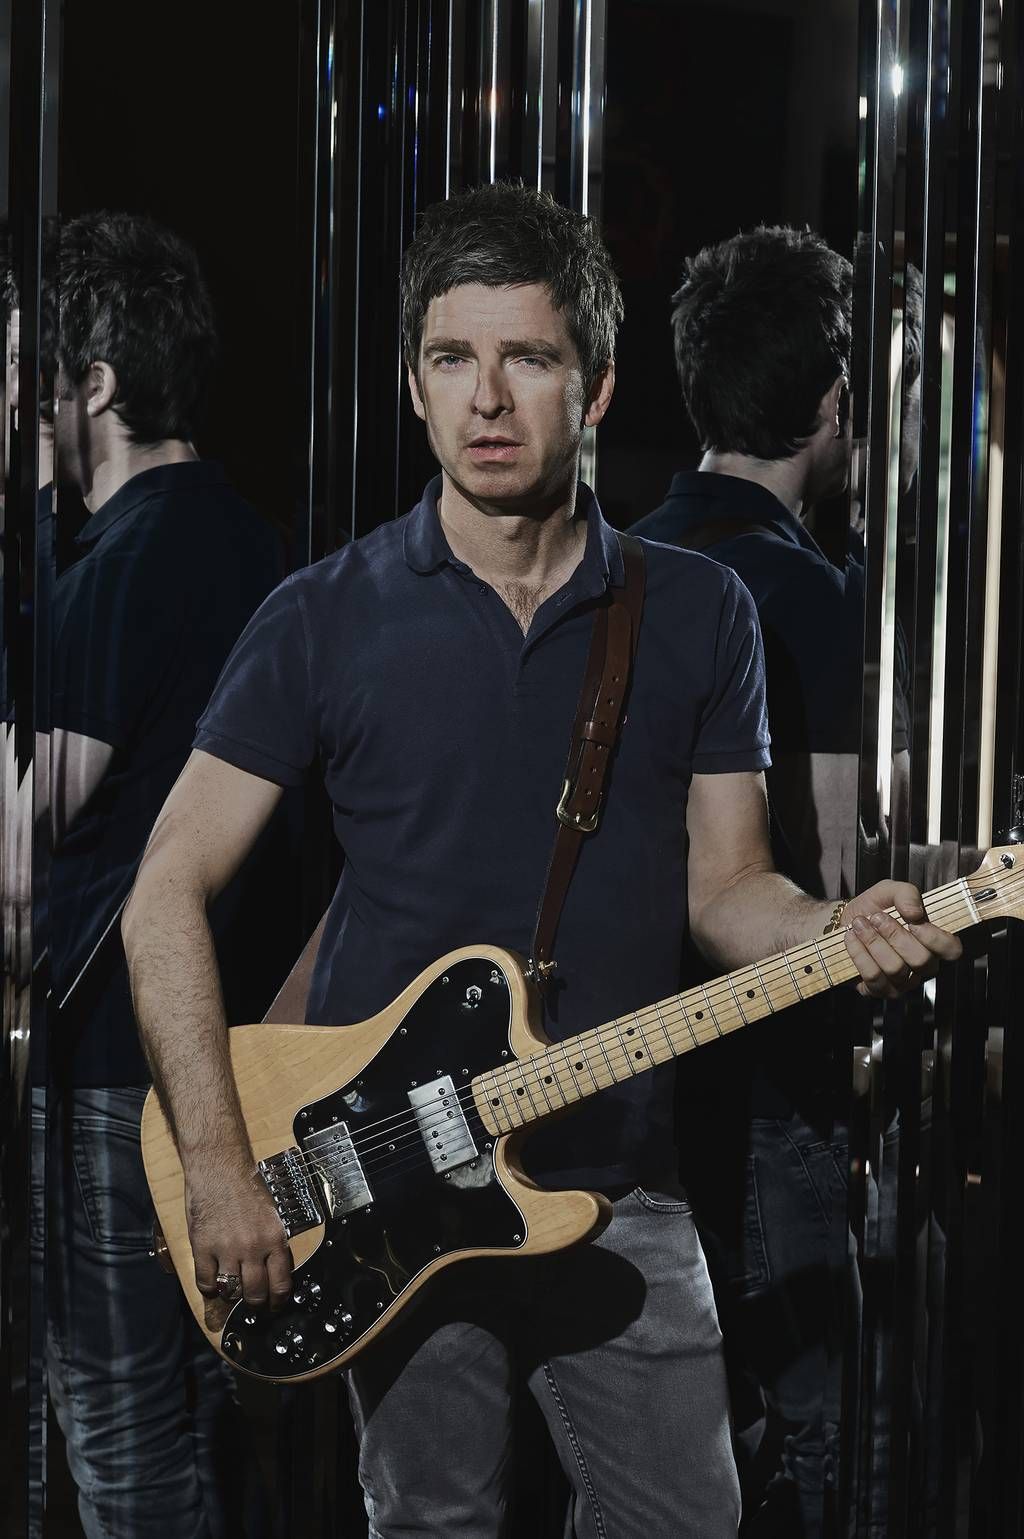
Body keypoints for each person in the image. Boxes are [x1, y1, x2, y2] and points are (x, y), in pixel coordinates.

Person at [122, 184, 960, 1539]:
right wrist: (218, 1163)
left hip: (622, 1183)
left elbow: (727, 891)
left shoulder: (699, 611)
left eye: (529, 357)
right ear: (415, 386)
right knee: (435, 1525)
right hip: (392, 1185)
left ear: (599, 384)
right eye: (453, 358)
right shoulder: (322, 617)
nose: (489, 398)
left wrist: (835, 931)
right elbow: (164, 890)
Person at [629, 226, 898, 1536]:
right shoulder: (814, 594)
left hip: (631, 1079)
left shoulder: (620, 564)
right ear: (836, 402)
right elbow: (834, 868)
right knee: (822, 1439)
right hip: (777, 1081)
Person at [36, 211, 284, 1538]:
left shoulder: (122, 559)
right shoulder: (242, 537)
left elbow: (24, 844)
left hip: (112, 1070)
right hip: (222, 1055)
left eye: (21, 370)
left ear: (93, 386)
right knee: (198, 1428)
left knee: (121, 1436)